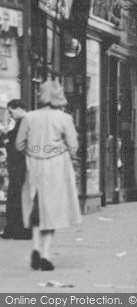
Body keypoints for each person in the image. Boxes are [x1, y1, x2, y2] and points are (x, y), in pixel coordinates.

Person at [16, 80, 82, 271]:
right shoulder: (64, 119)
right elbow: (74, 147)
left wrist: (34, 149)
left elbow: (19, 145)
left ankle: (35, 247)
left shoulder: (28, 117)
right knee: (51, 211)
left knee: (36, 211)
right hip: (56, 169)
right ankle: (45, 255)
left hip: (34, 167)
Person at [0, 100, 32, 239]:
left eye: (11, 112)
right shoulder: (26, 121)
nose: (11, 115)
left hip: (20, 167)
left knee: (16, 198)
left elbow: (18, 144)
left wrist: (6, 139)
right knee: (18, 198)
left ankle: (17, 229)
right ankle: (18, 229)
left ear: (18, 109)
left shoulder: (25, 122)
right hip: (22, 166)